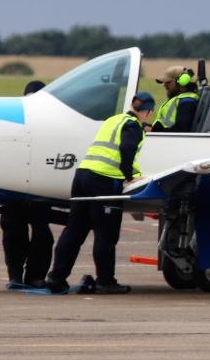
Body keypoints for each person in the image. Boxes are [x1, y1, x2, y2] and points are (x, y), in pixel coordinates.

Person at [45, 92, 155, 294]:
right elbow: (127, 148)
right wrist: (129, 176)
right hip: (103, 180)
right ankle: (105, 281)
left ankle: (56, 278)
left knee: (74, 230)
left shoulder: (113, 120)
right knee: (106, 233)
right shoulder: (133, 126)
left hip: (82, 175)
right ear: (147, 112)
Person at [0, 80, 54, 287]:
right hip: (14, 188)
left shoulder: (52, 125)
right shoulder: (12, 124)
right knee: (13, 231)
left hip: (40, 187)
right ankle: (15, 275)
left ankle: (35, 277)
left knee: (42, 233)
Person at [151, 66, 199, 133]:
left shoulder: (187, 102)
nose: (164, 85)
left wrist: (155, 132)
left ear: (181, 81)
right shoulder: (181, 99)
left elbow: (181, 131)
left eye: (168, 82)